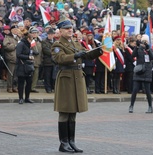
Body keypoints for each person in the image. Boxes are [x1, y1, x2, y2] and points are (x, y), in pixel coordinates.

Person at [51, 16, 102, 153]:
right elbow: (59, 58)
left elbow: (85, 54)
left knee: (73, 112)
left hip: (77, 78)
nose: (69, 30)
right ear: (60, 31)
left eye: (71, 28)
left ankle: (71, 141)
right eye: (66, 28)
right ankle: (63, 143)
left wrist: (99, 51)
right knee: (65, 111)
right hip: (66, 79)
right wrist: (75, 56)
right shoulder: (57, 45)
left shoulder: (75, 43)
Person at [129, 34, 153, 113]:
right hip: (139, 71)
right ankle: (131, 105)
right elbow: (133, 55)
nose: (144, 42)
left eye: (145, 41)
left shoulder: (150, 49)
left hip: (147, 71)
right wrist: (136, 46)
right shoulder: (138, 48)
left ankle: (150, 107)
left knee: (147, 91)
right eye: (143, 41)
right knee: (135, 89)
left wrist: (147, 49)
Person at [15, 32, 34, 104]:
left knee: (29, 82)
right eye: (31, 39)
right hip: (21, 65)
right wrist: (28, 57)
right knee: (21, 83)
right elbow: (18, 54)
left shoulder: (29, 45)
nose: (31, 41)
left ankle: (27, 97)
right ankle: (20, 98)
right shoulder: (21, 44)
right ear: (28, 39)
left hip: (28, 65)